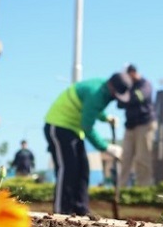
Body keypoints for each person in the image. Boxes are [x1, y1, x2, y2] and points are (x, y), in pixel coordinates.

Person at [43, 72, 128, 216]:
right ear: (112, 88)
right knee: (68, 169)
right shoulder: (96, 93)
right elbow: (87, 126)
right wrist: (106, 147)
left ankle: (80, 209)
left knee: (83, 169)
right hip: (58, 125)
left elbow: (92, 108)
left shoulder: (103, 89)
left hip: (74, 129)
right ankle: (61, 211)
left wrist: (106, 118)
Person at [117, 64, 156, 188]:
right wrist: (125, 97)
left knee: (142, 158)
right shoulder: (128, 87)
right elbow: (120, 103)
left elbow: (138, 97)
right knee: (125, 157)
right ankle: (121, 188)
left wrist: (126, 97)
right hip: (130, 126)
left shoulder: (145, 84)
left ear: (133, 73)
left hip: (145, 124)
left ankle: (142, 189)